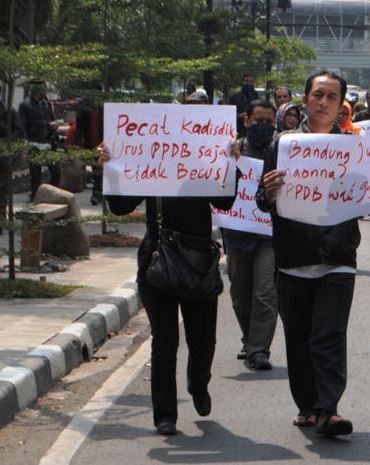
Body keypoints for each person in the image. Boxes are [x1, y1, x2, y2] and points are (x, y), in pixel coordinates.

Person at [257, 70, 370, 437]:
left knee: (328, 334)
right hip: (293, 255)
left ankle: (328, 408)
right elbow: (262, 202)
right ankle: (307, 405)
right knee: (298, 335)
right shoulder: (283, 145)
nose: (324, 103)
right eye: (318, 95)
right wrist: (270, 193)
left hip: (338, 255)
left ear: (341, 106)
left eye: (332, 97)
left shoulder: (358, 149)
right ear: (305, 99)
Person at [99, 98, 240, 436]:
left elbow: (225, 201)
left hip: (198, 263)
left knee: (203, 339)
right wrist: (108, 165)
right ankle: (165, 415)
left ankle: (198, 384)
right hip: (158, 262)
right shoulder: (151, 158)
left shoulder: (207, 160)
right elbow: (120, 206)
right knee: (165, 340)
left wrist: (229, 163)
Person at [223, 99, 279, 370]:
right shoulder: (232, 150)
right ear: (246, 121)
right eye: (259, 121)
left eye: (270, 121)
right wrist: (228, 160)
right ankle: (249, 337)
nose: (264, 126)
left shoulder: (281, 151)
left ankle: (259, 350)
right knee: (240, 293)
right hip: (237, 233)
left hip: (270, 234)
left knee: (266, 293)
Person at [18, 79, 57, 200]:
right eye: (42, 88)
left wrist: (54, 126)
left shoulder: (47, 104)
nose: (44, 90)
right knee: (35, 174)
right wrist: (24, 144)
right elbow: (22, 125)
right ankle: (35, 196)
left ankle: (51, 194)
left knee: (56, 172)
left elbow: (51, 119)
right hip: (33, 143)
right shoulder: (25, 105)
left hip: (48, 142)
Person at [229, 73, 260, 138]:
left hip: (254, 129)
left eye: (251, 81)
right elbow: (229, 114)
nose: (248, 83)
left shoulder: (258, 99)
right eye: (246, 81)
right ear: (242, 82)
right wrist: (239, 115)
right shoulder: (234, 97)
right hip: (238, 129)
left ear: (254, 83)